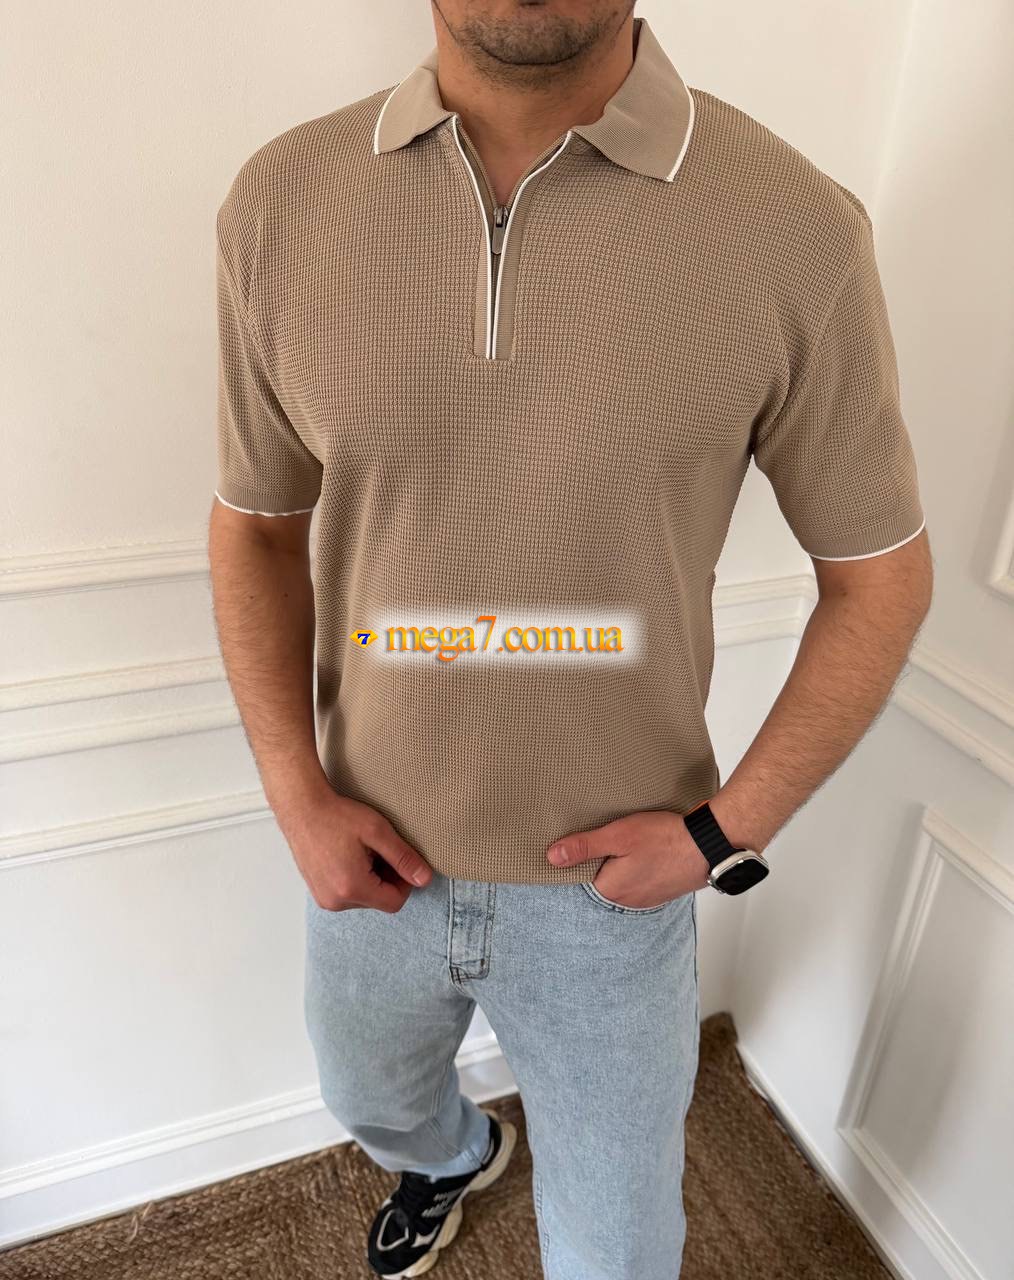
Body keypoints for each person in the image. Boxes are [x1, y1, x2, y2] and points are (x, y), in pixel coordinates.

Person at [206, 3, 933, 1276]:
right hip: (371, 856)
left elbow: (880, 579)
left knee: (618, 1254)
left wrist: (722, 831)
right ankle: (452, 1155)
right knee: (368, 1099)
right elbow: (258, 528)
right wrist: (293, 793)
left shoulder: (795, 227)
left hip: (610, 895)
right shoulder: (284, 202)